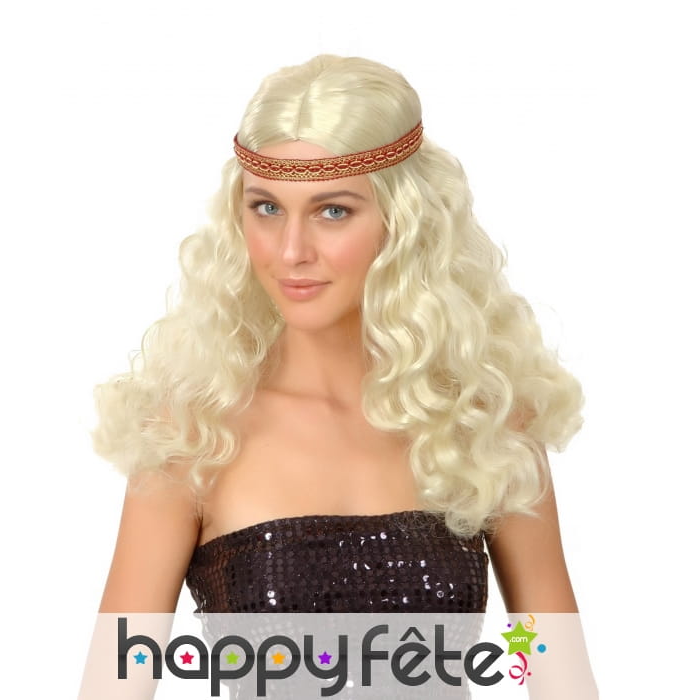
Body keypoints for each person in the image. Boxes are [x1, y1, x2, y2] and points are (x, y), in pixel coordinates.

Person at [85, 55, 596, 697]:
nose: (291, 250)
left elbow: (551, 662)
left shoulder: (485, 420)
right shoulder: (191, 434)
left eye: (332, 212)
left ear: (405, 222)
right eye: (267, 208)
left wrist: (528, 657)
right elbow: (119, 679)